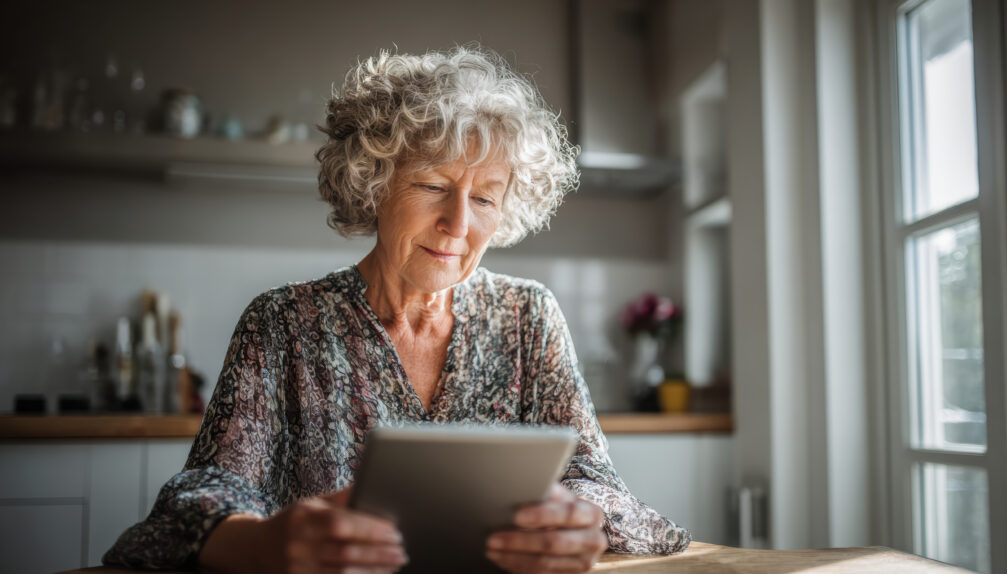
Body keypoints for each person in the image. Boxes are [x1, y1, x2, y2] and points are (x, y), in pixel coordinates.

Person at [103, 46, 691, 574]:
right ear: (375, 180)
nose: (458, 224)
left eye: (484, 198)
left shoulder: (527, 316)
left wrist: (580, 520)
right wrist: (262, 545)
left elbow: (596, 482)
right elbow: (200, 498)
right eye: (434, 186)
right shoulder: (283, 323)